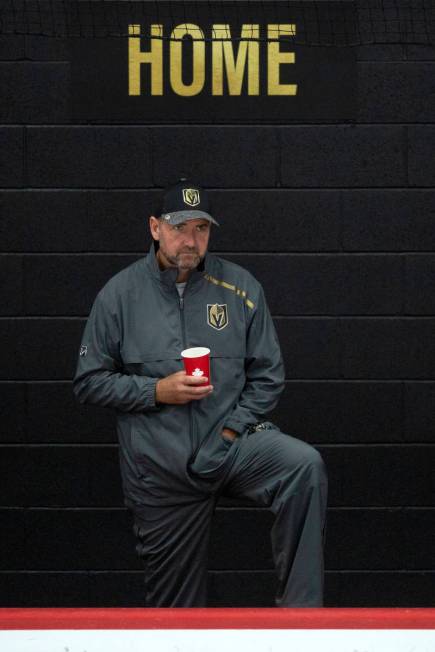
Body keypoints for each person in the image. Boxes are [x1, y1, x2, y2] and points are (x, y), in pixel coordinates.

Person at [73, 177, 328, 607]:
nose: (191, 240)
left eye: (202, 229)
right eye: (180, 227)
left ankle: (302, 624)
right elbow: (88, 381)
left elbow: (268, 375)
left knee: (303, 466)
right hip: (161, 466)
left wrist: (230, 433)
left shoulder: (240, 287)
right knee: (177, 614)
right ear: (155, 228)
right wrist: (157, 390)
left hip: (232, 446)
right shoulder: (119, 295)